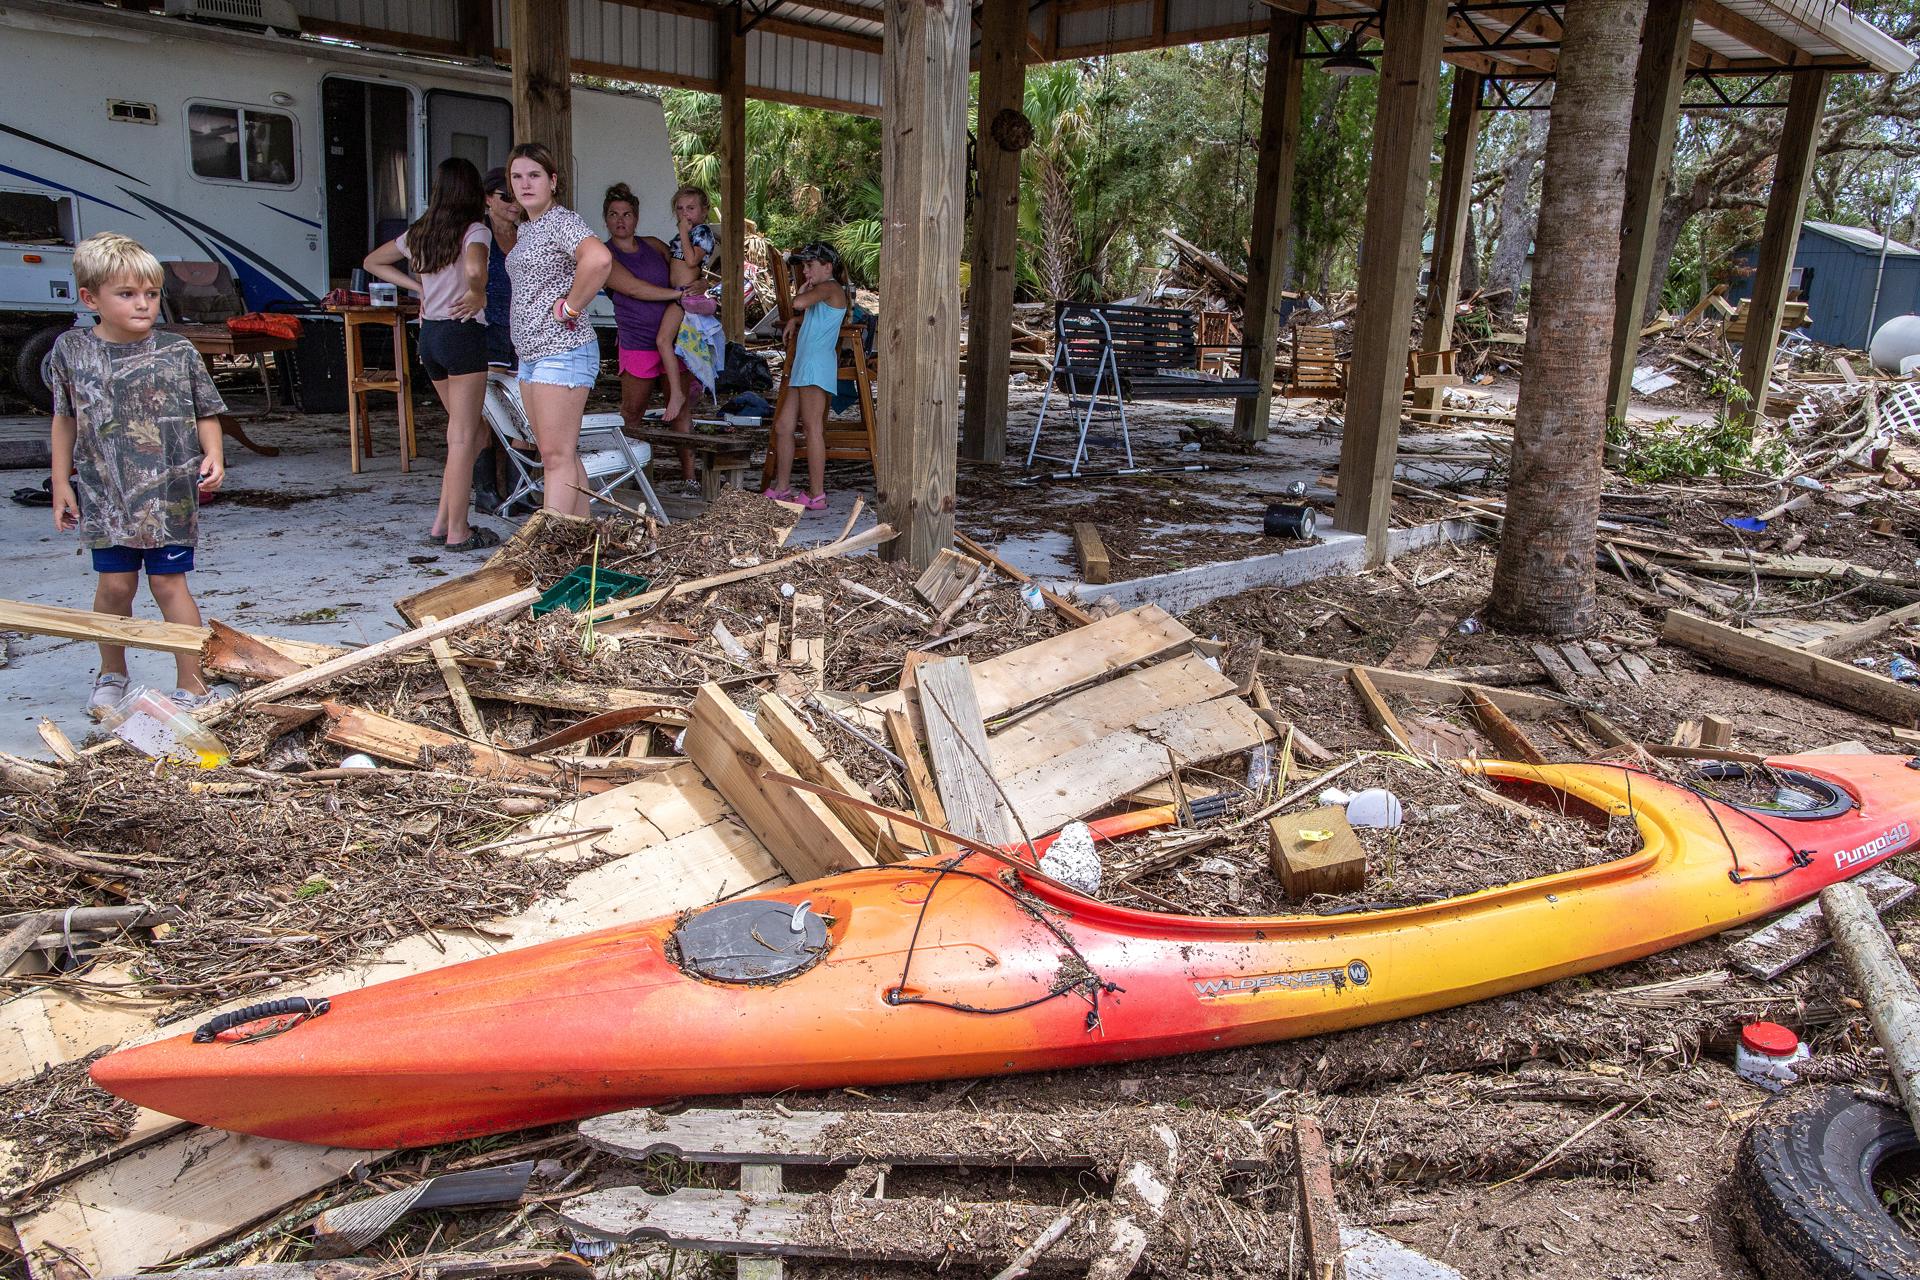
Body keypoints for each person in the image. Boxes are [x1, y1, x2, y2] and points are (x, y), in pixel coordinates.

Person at [46, 232, 227, 714]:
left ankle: (193, 684)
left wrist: (214, 455)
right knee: (115, 586)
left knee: (170, 585)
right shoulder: (72, 351)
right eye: (127, 295)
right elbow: (66, 417)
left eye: (150, 294)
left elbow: (205, 410)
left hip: (169, 496)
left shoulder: (178, 351)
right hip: (106, 496)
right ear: (91, 299)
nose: (143, 304)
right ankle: (112, 675)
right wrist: (62, 481)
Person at [363, 157, 498, 551]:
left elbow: (373, 261)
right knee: (463, 436)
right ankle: (459, 532)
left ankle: (442, 522)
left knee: (463, 435)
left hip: (430, 336)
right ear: (473, 191)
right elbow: (475, 268)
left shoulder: (420, 232)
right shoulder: (475, 229)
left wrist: (417, 288)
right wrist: (477, 291)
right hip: (463, 334)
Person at [504, 142, 612, 518]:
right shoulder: (527, 229)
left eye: (534, 175)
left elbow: (598, 259)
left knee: (555, 457)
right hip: (533, 354)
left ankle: (546, 548)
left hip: (562, 349)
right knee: (560, 454)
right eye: (516, 177)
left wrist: (571, 305)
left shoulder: (561, 221)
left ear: (552, 180)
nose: (524, 184)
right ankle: (582, 543)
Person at [601, 183, 704, 497]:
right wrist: (678, 294)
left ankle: (690, 480)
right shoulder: (604, 255)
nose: (621, 221)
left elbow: (687, 269)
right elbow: (633, 288)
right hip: (637, 342)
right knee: (633, 413)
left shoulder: (655, 245)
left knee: (681, 410)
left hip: (674, 339)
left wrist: (698, 284)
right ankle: (633, 477)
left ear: (636, 217)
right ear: (605, 219)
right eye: (614, 215)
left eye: (627, 214)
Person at [764, 242, 849, 512]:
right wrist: (795, 321)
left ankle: (817, 494)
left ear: (828, 266)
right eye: (803, 266)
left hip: (815, 366)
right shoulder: (823, 292)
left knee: (812, 428)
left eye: (810, 266)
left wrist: (802, 291)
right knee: (784, 426)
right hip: (803, 366)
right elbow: (818, 316)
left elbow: (799, 302)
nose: (805, 271)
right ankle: (783, 487)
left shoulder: (830, 287)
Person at [655, 185, 719, 423]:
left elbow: (692, 261)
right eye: (680, 209)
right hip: (676, 293)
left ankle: (677, 394)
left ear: (704, 211)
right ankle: (690, 386)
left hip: (684, 296)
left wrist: (683, 231)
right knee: (681, 346)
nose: (685, 214)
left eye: (691, 209)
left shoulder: (702, 232)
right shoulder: (684, 235)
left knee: (663, 340)